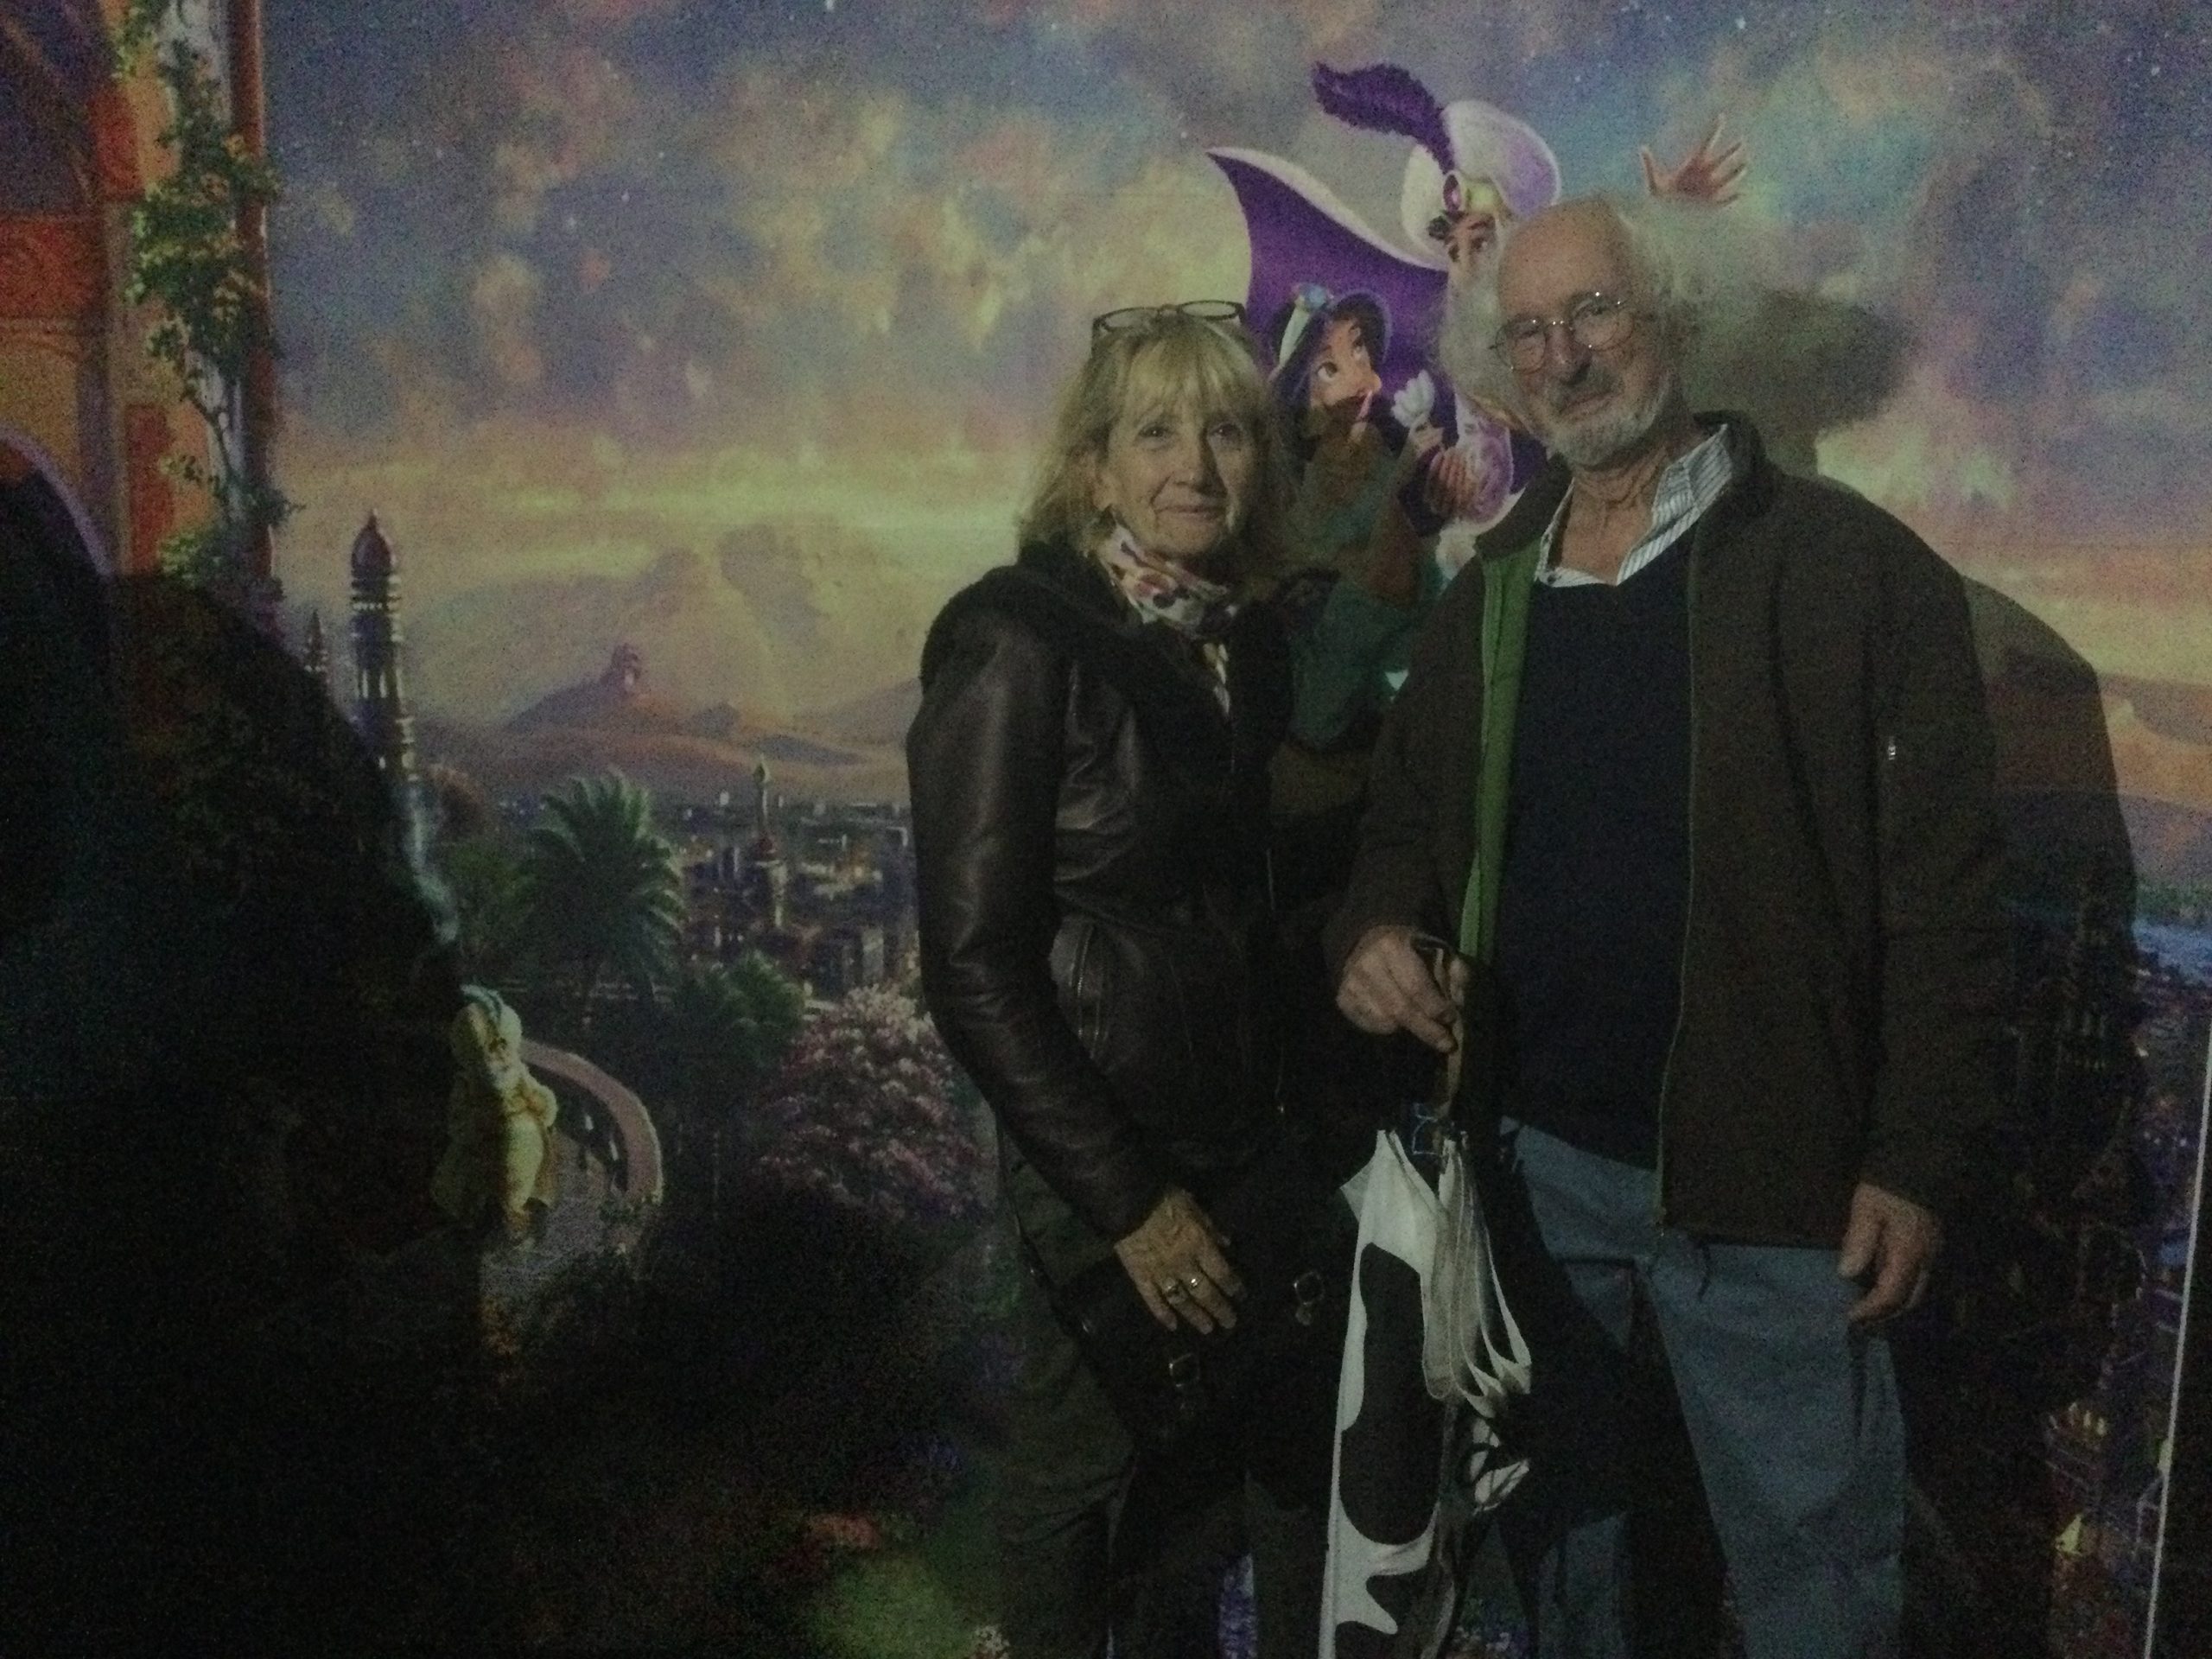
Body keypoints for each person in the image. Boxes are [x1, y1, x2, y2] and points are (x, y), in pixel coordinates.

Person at [1326, 194, 2007, 1658]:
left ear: (1675, 316)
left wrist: (1913, 1155)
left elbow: (1949, 895)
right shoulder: (1491, 592)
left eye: (1596, 311)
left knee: (1821, 1596)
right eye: (1527, 330)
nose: (1562, 357)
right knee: (1572, 1585)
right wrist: (1376, 934)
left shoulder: (1853, 575)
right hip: (1530, 1184)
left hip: (1776, 1197)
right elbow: (1399, 834)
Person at [908, 302, 1326, 1659]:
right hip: (1106, 1150)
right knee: (1081, 1475)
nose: (1195, 466)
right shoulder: (1015, 640)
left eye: (1228, 433)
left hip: (1241, 1137)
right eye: (1156, 433)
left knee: (1232, 1473)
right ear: (1092, 470)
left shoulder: (1239, 641)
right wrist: (1129, 1205)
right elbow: (973, 965)